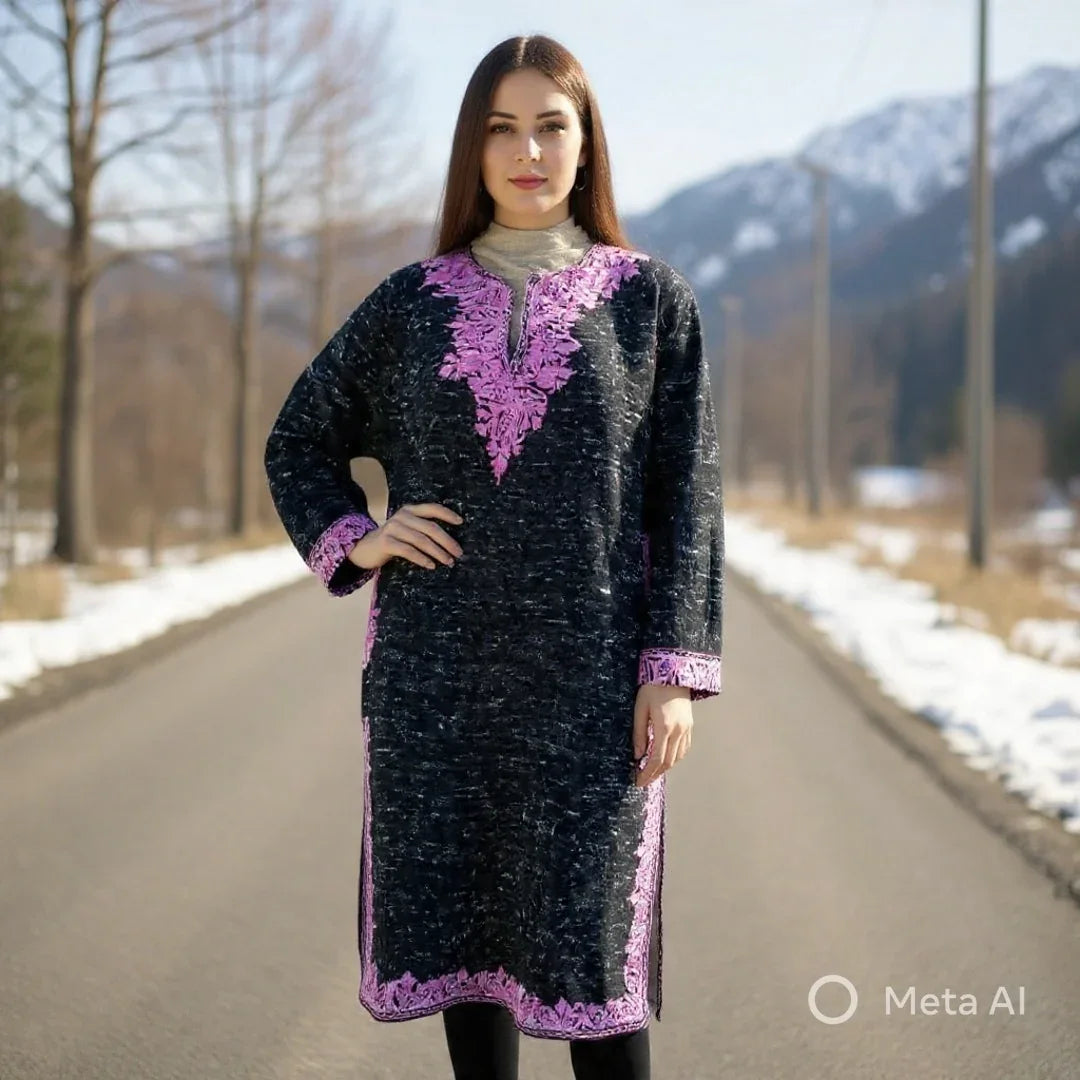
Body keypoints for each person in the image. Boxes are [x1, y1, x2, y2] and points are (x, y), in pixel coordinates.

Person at [264, 33, 724, 1080]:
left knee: (600, 987)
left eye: (551, 125)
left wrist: (672, 674)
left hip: (592, 697)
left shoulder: (651, 303)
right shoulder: (409, 305)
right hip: (439, 687)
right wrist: (357, 536)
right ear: (473, 149)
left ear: (586, 141)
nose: (528, 150)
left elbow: (687, 496)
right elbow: (299, 439)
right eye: (502, 128)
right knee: (471, 971)